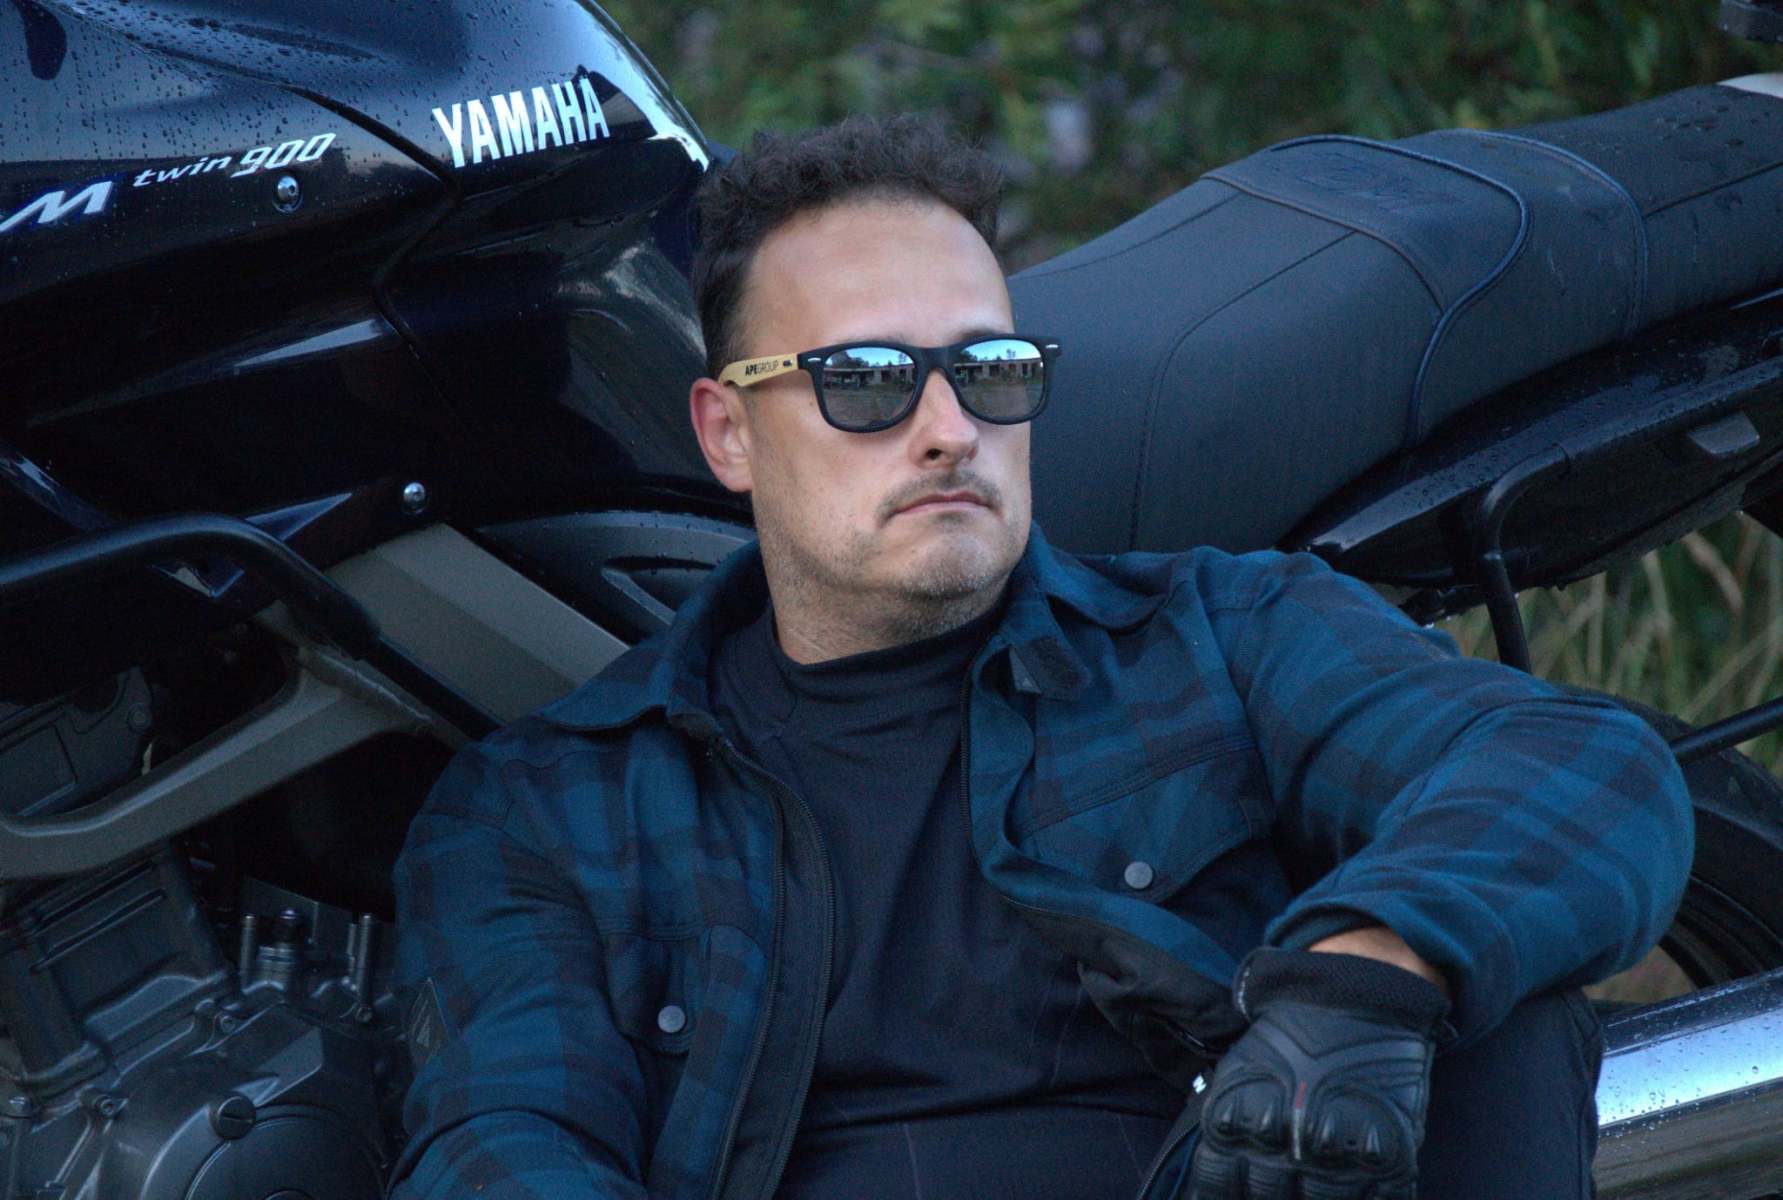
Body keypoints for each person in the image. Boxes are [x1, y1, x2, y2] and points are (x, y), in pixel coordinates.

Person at [388, 116, 1693, 1200]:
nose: (950, 429)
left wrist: (1372, 966)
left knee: (1488, 982)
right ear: (728, 433)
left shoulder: (1217, 637)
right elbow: (499, 1145)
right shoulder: (549, 804)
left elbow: (1579, 762)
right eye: (867, 380)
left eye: (992, 370)